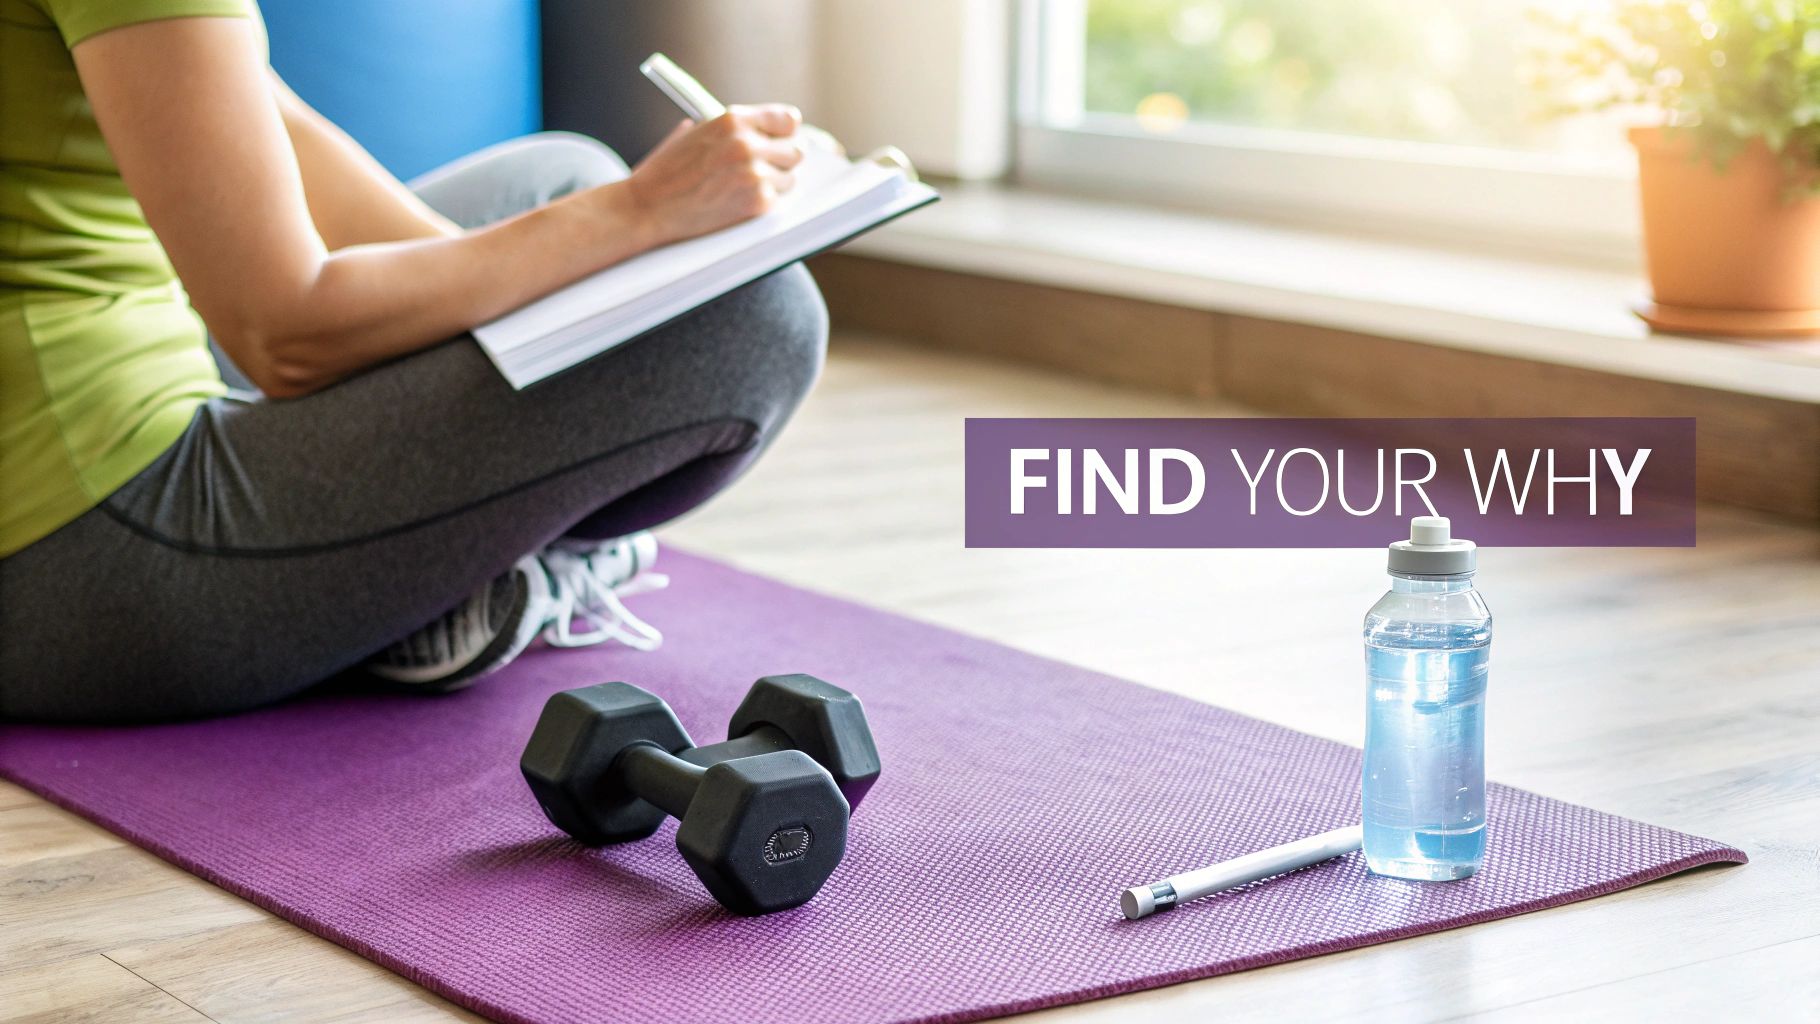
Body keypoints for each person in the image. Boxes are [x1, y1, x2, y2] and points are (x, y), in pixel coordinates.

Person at [0, 1, 828, 722]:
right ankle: (425, 588)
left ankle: (422, 569)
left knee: (562, 179)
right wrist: (640, 211)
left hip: (74, 428)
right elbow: (285, 334)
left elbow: (272, 128)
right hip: (78, 561)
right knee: (758, 319)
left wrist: (546, 294)